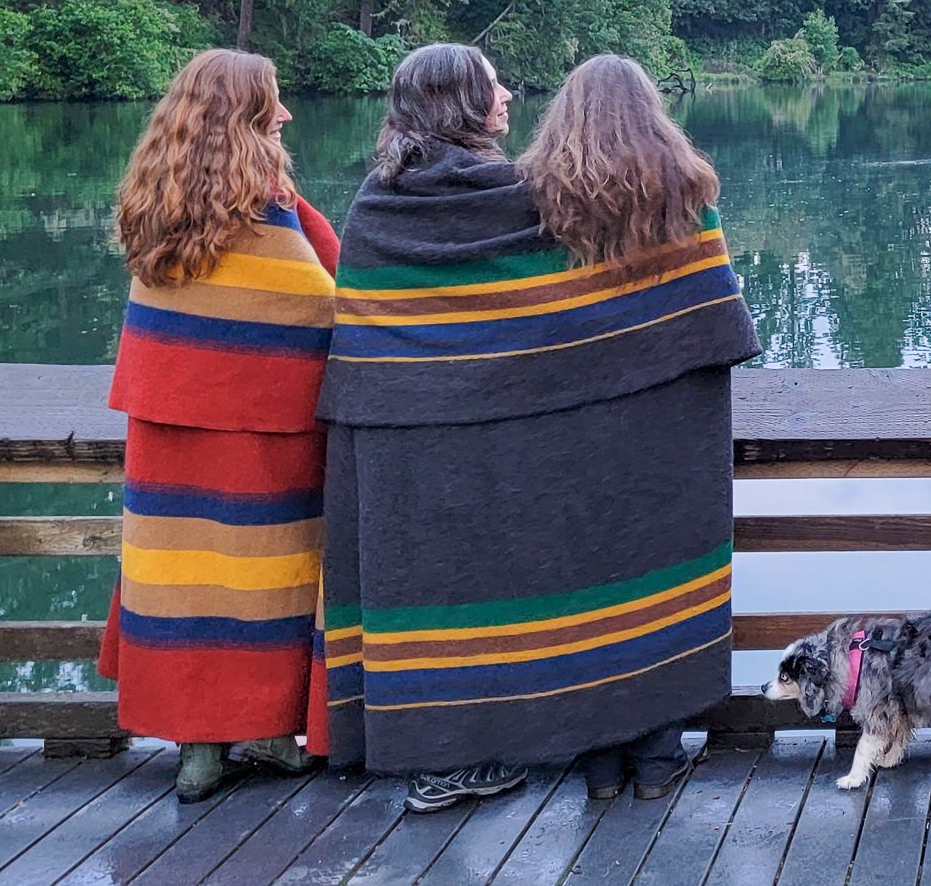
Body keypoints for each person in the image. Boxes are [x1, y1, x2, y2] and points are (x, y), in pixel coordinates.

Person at [318, 47, 761, 814]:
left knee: (508, 583)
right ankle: (651, 755)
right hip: (625, 445)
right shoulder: (544, 201)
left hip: (430, 450)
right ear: (463, 101)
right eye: (495, 84)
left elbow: (394, 337)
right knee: (633, 567)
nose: (509, 93)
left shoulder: (380, 208)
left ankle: (506, 760)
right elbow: (699, 321)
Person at [100, 49, 338, 803]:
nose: (288, 115)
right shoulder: (269, 206)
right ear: (245, 116)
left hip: (167, 420)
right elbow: (330, 301)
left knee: (180, 577)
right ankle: (264, 732)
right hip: (264, 423)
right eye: (275, 103)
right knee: (269, 576)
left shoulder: (155, 200)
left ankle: (203, 747)